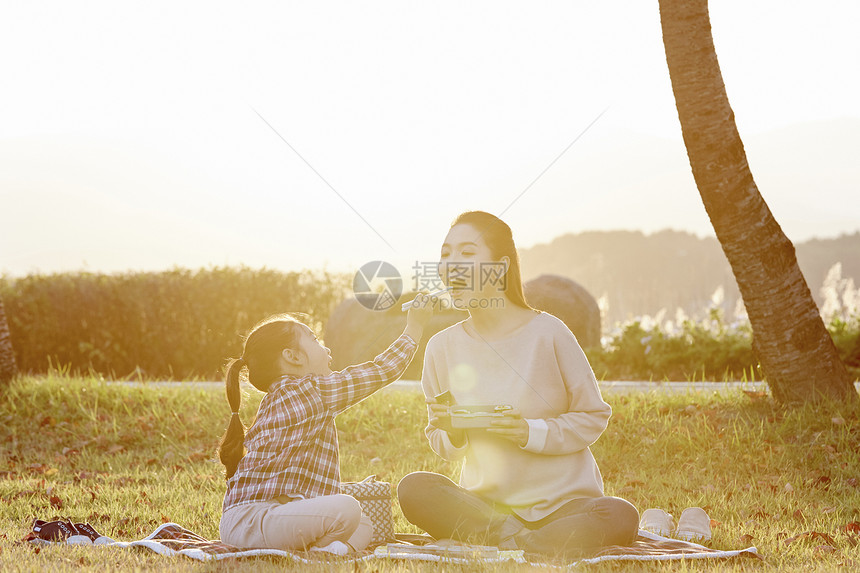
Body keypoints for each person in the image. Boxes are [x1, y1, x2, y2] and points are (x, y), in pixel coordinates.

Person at [397, 211, 639, 558]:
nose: (451, 265)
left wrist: (528, 432)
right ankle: (523, 541)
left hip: (563, 507)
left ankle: (511, 542)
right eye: (446, 254)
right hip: (485, 507)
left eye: (467, 254)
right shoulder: (441, 347)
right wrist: (451, 430)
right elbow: (443, 443)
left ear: (500, 267)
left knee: (618, 515)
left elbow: (592, 416)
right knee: (415, 488)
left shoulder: (550, 333)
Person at [219, 297, 434, 554]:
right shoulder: (306, 391)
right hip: (255, 521)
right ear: (293, 357)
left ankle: (325, 552)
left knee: (364, 523)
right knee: (348, 509)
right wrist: (415, 328)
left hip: (260, 520)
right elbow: (382, 370)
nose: (326, 348)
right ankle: (319, 554)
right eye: (314, 339)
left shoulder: (284, 396)